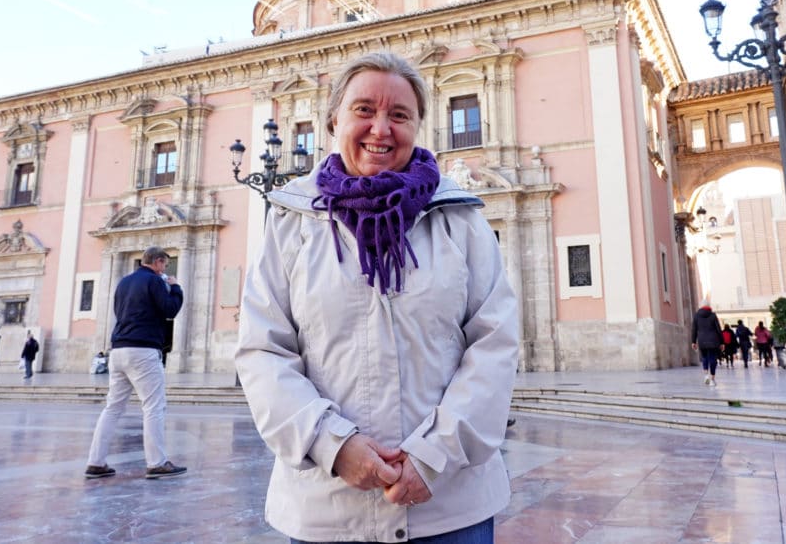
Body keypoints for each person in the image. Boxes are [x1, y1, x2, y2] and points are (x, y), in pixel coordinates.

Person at [235, 52, 520, 544]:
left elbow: (493, 343)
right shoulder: (290, 221)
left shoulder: (461, 219)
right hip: (325, 512)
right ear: (333, 120)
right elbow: (264, 350)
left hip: (450, 507)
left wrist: (434, 457)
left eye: (399, 115)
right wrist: (333, 445)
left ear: (418, 126)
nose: (380, 129)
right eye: (364, 110)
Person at [84, 246, 185, 480]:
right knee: (153, 406)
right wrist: (176, 287)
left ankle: (96, 462)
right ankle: (157, 463)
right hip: (143, 350)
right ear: (158, 262)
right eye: (165, 264)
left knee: (113, 407)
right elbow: (170, 310)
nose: (165, 269)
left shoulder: (124, 283)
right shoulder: (155, 281)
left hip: (118, 350)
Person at [691, 304, 723, 386]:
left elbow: (694, 329)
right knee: (713, 359)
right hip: (713, 340)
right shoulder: (713, 315)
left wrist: (693, 341)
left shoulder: (696, 316)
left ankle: (706, 375)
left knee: (704, 357)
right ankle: (712, 379)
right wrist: (722, 342)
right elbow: (718, 329)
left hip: (702, 340)